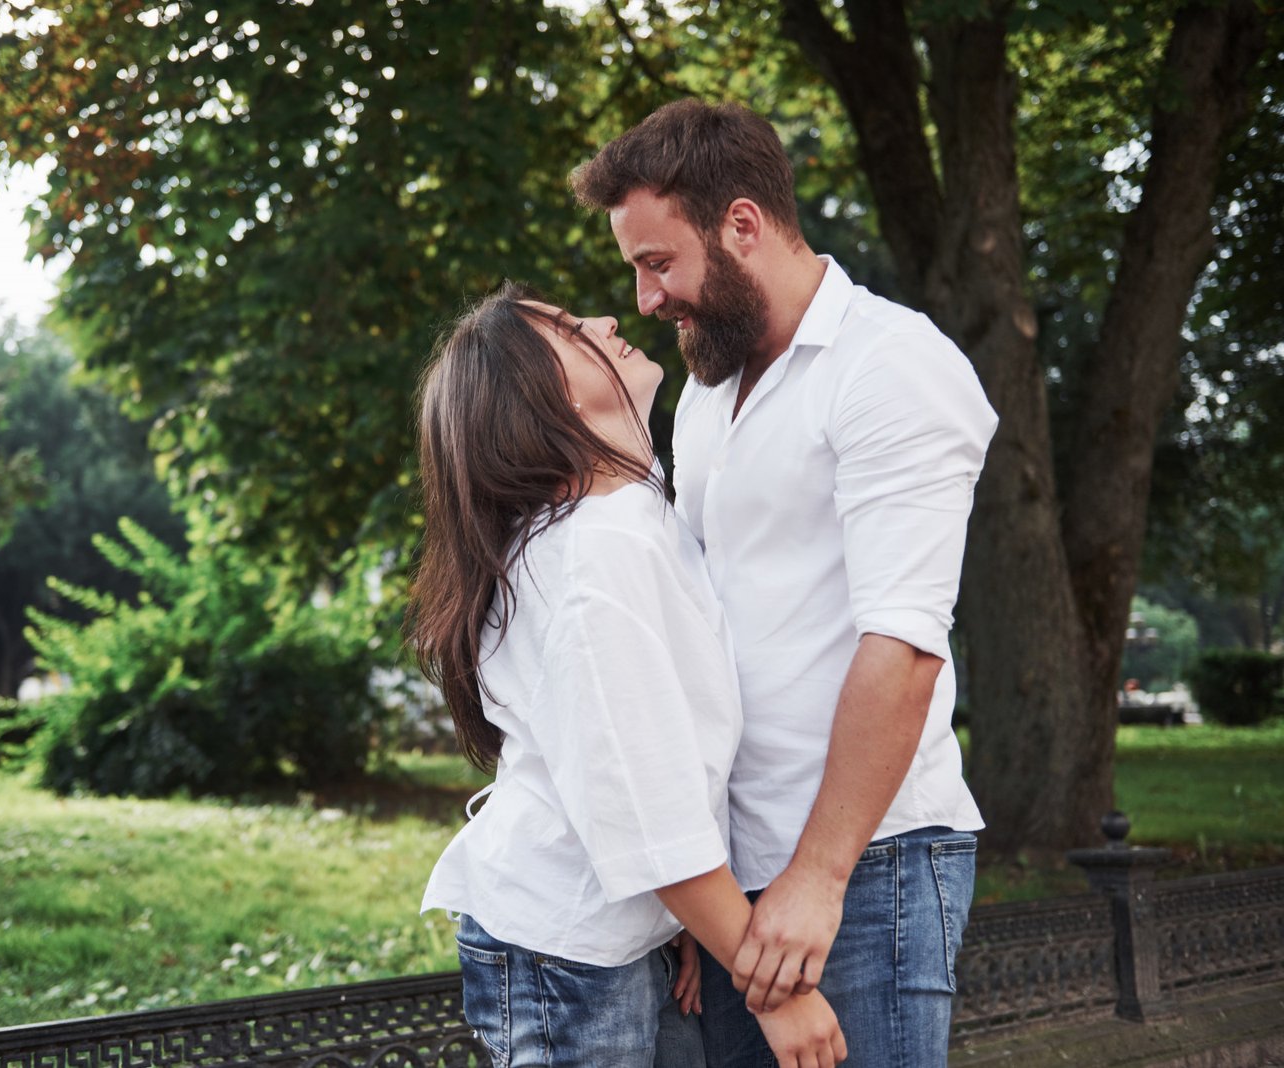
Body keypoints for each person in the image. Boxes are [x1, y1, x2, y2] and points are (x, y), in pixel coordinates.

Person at [571, 99, 998, 1068]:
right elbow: (696, 633)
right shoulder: (709, 393)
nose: (645, 299)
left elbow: (904, 645)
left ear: (742, 227)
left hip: (866, 867)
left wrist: (817, 874)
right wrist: (703, 885)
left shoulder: (892, 369)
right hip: (743, 881)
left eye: (656, 262)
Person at [410, 283, 848, 1068]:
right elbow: (646, 805)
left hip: (620, 933)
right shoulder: (592, 554)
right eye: (571, 333)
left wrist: (675, 916)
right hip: (567, 955)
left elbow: (658, 755)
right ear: (536, 402)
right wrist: (776, 994)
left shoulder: (631, 519)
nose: (605, 322)